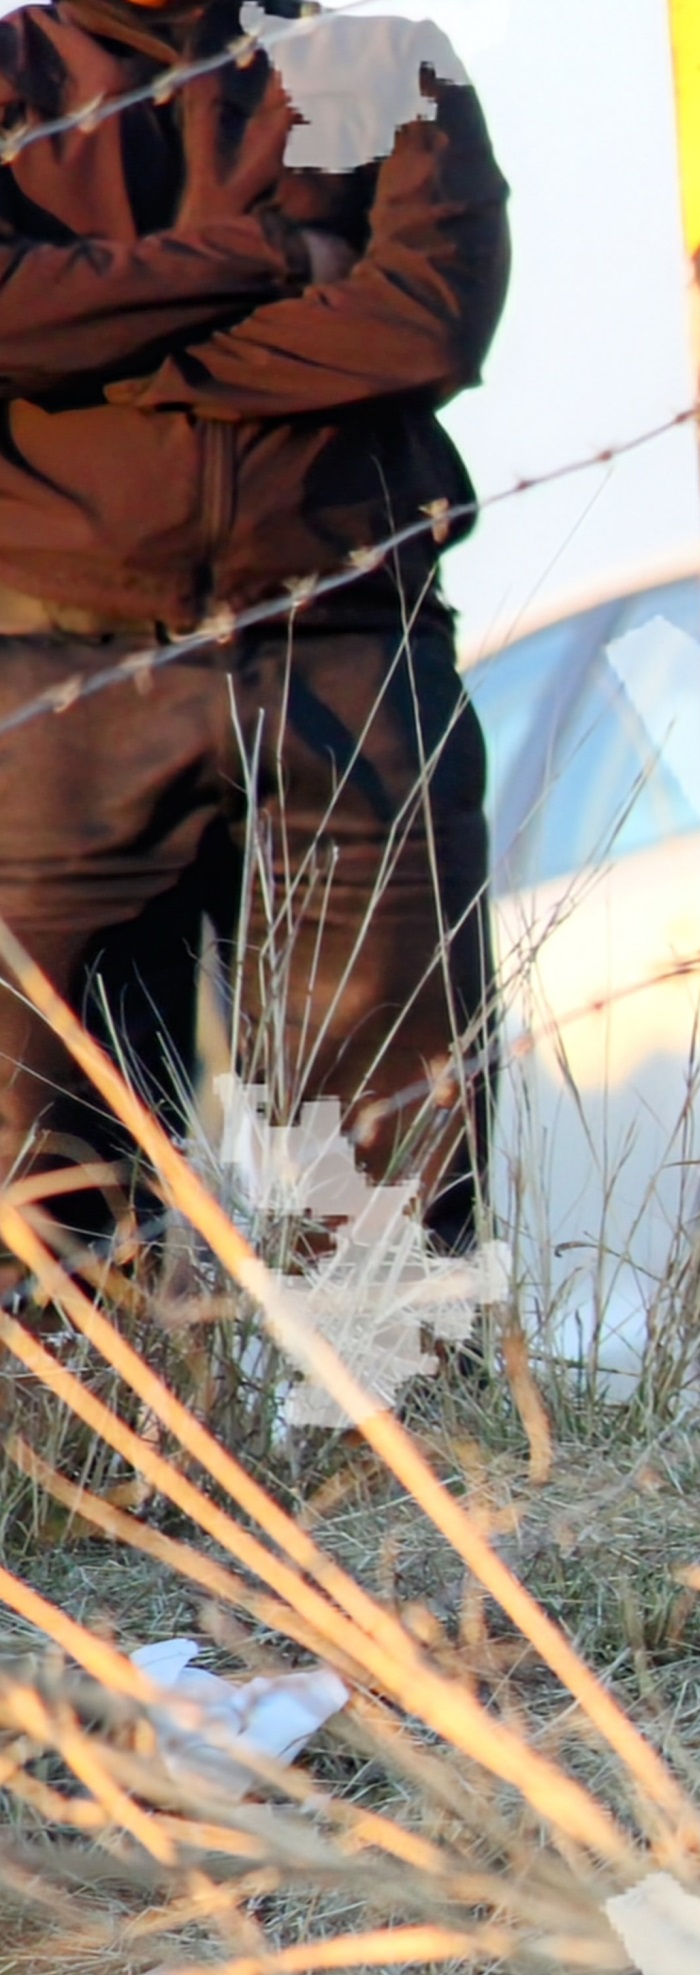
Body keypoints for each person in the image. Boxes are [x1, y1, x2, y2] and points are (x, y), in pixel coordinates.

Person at [0, 0, 509, 1269]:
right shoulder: (7, 77)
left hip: (351, 651)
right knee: (38, 1174)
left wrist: (110, 358)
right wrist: (278, 254)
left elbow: (426, 324)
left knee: (398, 1165)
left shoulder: (391, 67)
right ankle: (71, 1468)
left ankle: (392, 1462)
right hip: (56, 671)